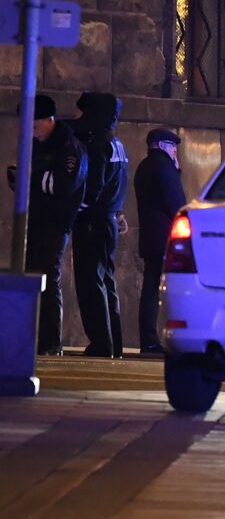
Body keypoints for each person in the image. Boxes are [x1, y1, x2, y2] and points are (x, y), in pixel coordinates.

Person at [5, 95, 87, 355]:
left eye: (35, 122)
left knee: (48, 280)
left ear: (49, 120)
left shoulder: (68, 147)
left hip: (54, 223)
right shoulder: (37, 145)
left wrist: (30, 177)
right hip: (36, 220)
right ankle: (33, 341)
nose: (30, 127)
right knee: (29, 277)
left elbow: (63, 185)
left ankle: (51, 344)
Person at [69, 92, 129, 358]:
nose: (76, 118)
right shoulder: (116, 143)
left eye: (81, 112)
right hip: (109, 219)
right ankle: (113, 342)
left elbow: (93, 186)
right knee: (106, 281)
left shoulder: (96, 145)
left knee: (91, 282)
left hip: (93, 220)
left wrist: (77, 210)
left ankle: (101, 343)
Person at [134, 128, 184, 354]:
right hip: (165, 238)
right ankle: (156, 339)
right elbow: (176, 203)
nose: (175, 152)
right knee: (162, 289)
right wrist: (177, 172)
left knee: (150, 288)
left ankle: (148, 338)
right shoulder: (165, 168)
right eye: (173, 148)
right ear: (163, 145)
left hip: (149, 236)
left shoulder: (144, 166)